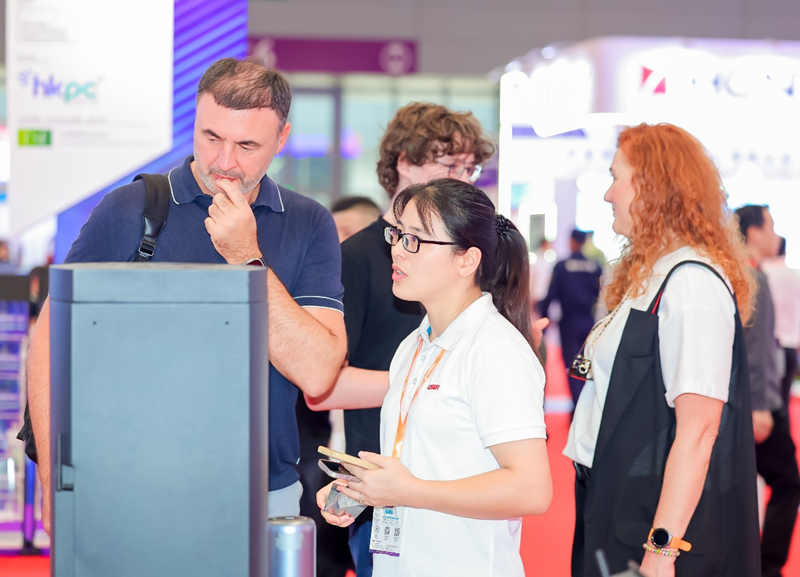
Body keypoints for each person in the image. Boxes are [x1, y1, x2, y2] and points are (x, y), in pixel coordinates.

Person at [24, 57, 347, 533]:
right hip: (125, 481)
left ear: (282, 139)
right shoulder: (130, 210)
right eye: (210, 137)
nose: (224, 162)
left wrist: (247, 258)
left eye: (247, 145)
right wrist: (54, 476)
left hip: (263, 490)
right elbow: (52, 340)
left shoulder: (308, 222)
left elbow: (317, 373)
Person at [316, 178, 552, 577]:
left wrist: (409, 491)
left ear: (467, 260)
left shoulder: (495, 350)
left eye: (415, 240)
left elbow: (532, 490)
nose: (396, 249)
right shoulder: (415, 343)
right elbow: (423, 459)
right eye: (397, 234)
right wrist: (362, 488)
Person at [307, 102, 495, 577]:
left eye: (471, 168)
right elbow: (322, 387)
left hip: (463, 484)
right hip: (382, 488)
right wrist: (429, 380)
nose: (464, 179)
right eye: (451, 165)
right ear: (405, 163)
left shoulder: (470, 250)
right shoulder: (356, 257)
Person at [566, 123, 760, 577]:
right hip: (616, 497)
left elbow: (700, 428)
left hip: (647, 518)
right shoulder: (656, 272)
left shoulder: (691, 282)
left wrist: (662, 549)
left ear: (653, 186)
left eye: (616, 178)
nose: (608, 194)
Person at [736, 206, 800, 577]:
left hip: (749, 395)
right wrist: (760, 405)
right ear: (754, 232)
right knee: (788, 482)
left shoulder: (743, 272)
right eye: (771, 226)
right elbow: (755, 348)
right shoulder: (751, 276)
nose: (776, 234)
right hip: (756, 400)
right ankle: (767, 567)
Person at [537, 229, 602, 405]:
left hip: (569, 324)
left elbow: (552, 294)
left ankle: (577, 402)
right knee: (583, 364)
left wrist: (544, 319)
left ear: (572, 241)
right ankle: (583, 404)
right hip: (588, 322)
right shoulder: (595, 266)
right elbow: (600, 294)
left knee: (570, 363)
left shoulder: (562, 266)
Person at [762, 236, 800, 413]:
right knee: (783, 405)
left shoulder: (763, 272)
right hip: (790, 346)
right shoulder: (795, 276)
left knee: (765, 406)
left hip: (768, 346)